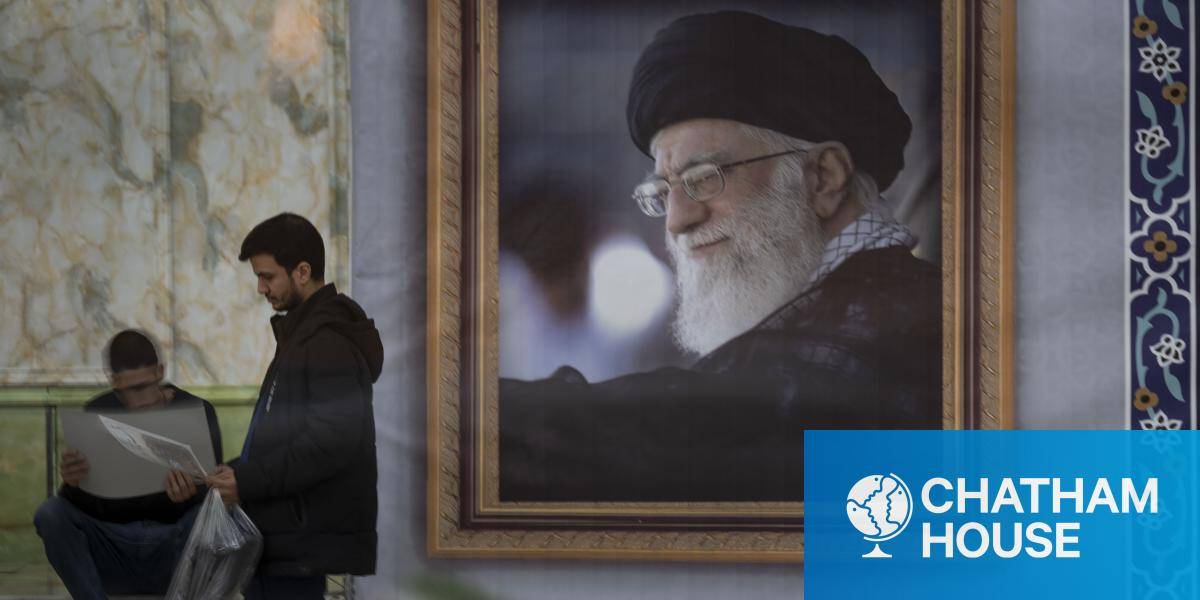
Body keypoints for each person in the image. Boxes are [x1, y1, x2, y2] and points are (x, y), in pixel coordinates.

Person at [499, 11, 941, 502]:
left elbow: (670, 428)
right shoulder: (863, 310)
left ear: (823, 178)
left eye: (705, 177)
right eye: (664, 191)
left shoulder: (868, 339)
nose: (676, 221)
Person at [204, 212, 383, 599]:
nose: (260, 288)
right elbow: (283, 438)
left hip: (300, 536)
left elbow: (329, 442)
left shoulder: (327, 342)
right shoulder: (302, 335)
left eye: (267, 276)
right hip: (285, 532)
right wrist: (233, 472)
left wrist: (246, 481)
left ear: (302, 272)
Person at [33, 329, 222, 599]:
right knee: (50, 512)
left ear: (160, 371)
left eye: (143, 387)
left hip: (174, 541)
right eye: (126, 391)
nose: (138, 400)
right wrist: (73, 483)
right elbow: (79, 506)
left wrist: (191, 494)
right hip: (113, 543)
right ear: (114, 382)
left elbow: (216, 496)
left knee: (211, 514)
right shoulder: (99, 411)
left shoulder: (197, 410)